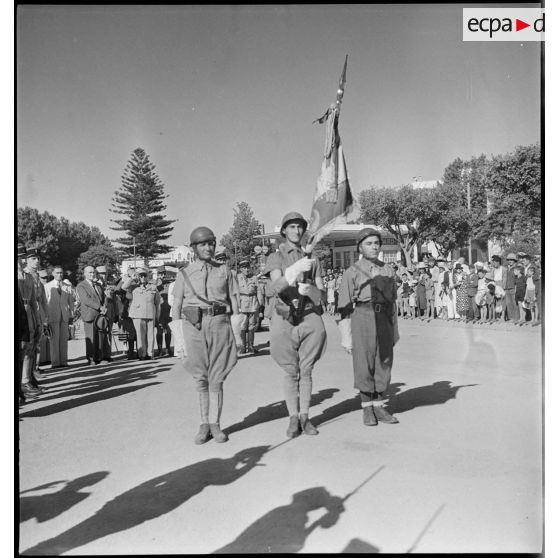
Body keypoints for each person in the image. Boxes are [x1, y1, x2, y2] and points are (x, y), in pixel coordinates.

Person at [172, 226, 239, 444]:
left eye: (211, 243)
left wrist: (237, 333)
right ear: (194, 248)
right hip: (194, 326)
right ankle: (203, 424)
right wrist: (178, 337)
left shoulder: (225, 270)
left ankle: (216, 424)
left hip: (220, 323)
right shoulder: (184, 274)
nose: (208, 247)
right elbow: (177, 304)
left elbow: (235, 301)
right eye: (203, 244)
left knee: (217, 376)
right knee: (200, 376)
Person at [263, 212, 327, 438]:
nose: (297, 231)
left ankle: (305, 416)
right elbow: (276, 287)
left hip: (309, 314)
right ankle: (292, 417)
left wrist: (313, 291)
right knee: (291, 370)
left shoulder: (313, 258)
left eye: (300, 227)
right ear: (283, 231)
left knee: (307, 369)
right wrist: (294, 270)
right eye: (291, 227)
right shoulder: (276, 256)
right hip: (284, 314)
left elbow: (322, 295)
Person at [337, 228, 400, 426]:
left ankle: (379, 406)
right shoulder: (351, 272)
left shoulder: (388, 269)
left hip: (384, 318)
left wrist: (394, 330)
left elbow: (393, 302)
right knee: (364, 363)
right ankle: (367, 408)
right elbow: (344, 307)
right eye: (369, 243)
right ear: (359, 247)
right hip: (362, 316)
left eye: (376, 243)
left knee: (384, 362)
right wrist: (346, 337)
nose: (374, 247)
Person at [18, 244, 44, 399]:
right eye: (21, 258)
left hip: (29, 314)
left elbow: (34, 300)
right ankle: (24, 381)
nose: (21, 261)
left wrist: (38, 319)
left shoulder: (28, 276)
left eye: (22, 258)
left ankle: (26, 380)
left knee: (29, 348)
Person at [77, 265, 108, 365]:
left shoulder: (98, 285)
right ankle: (91, 358)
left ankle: (100, 357)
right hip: (89, 315)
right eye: (89, 272)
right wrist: (99, 307)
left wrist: (105, 306)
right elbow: (86, 300)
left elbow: (104, 297)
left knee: (100, 337)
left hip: (100, 315)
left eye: (93, 272)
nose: (92, 274)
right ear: (85, 274)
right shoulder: (81, 285)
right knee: (91, 337)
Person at [128, 268, 160, 360]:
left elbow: (157, 303)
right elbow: (123, 287)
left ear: (147, 277)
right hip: (138, 314)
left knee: (150, 335)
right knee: (140, 335)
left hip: (150, 313)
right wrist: (131, 278)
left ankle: (150, 353)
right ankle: (142, 354)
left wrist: (157, 315)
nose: (142, 277)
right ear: (138, 276)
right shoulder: (134, 286)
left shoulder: (153, 287)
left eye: (144, 275)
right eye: (141, 275)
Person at [45, 266, 72, 368]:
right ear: (52, 274)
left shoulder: (67, 286)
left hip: (64, 316)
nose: (59, 274)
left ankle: (64, 362)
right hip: (53, 316)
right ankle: (55, 363)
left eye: (61, 273)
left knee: (64, 340)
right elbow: (45, 302)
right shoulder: (47, 286)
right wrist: (46, 318)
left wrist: (71, 316)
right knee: (54, 340)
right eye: (57, 273)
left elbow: (71, 302)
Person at [236, 259, 262, 356]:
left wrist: (259, 303)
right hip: (242, 303)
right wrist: (237, 305)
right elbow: (236, 292)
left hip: (252, 302)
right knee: (243, 325)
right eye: (244, 268)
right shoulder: (237, 278)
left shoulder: (254, 278)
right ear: (241, 269)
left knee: (252, 325)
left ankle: (251, 346)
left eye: (247, 267)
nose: (246, 269)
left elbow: (258, 290)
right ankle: (243, 347)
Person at [503, 253, 518, 322]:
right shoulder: (506, 268)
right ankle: (511, 318)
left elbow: (517, 279)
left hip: (513, 287)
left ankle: (516, 318)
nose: (510, 261)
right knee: (508, 303)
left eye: (511, 260)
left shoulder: (517, 268)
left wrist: (516, 287)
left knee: (514, 303)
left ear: (514, 260)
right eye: (508, 260)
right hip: (507, 288)